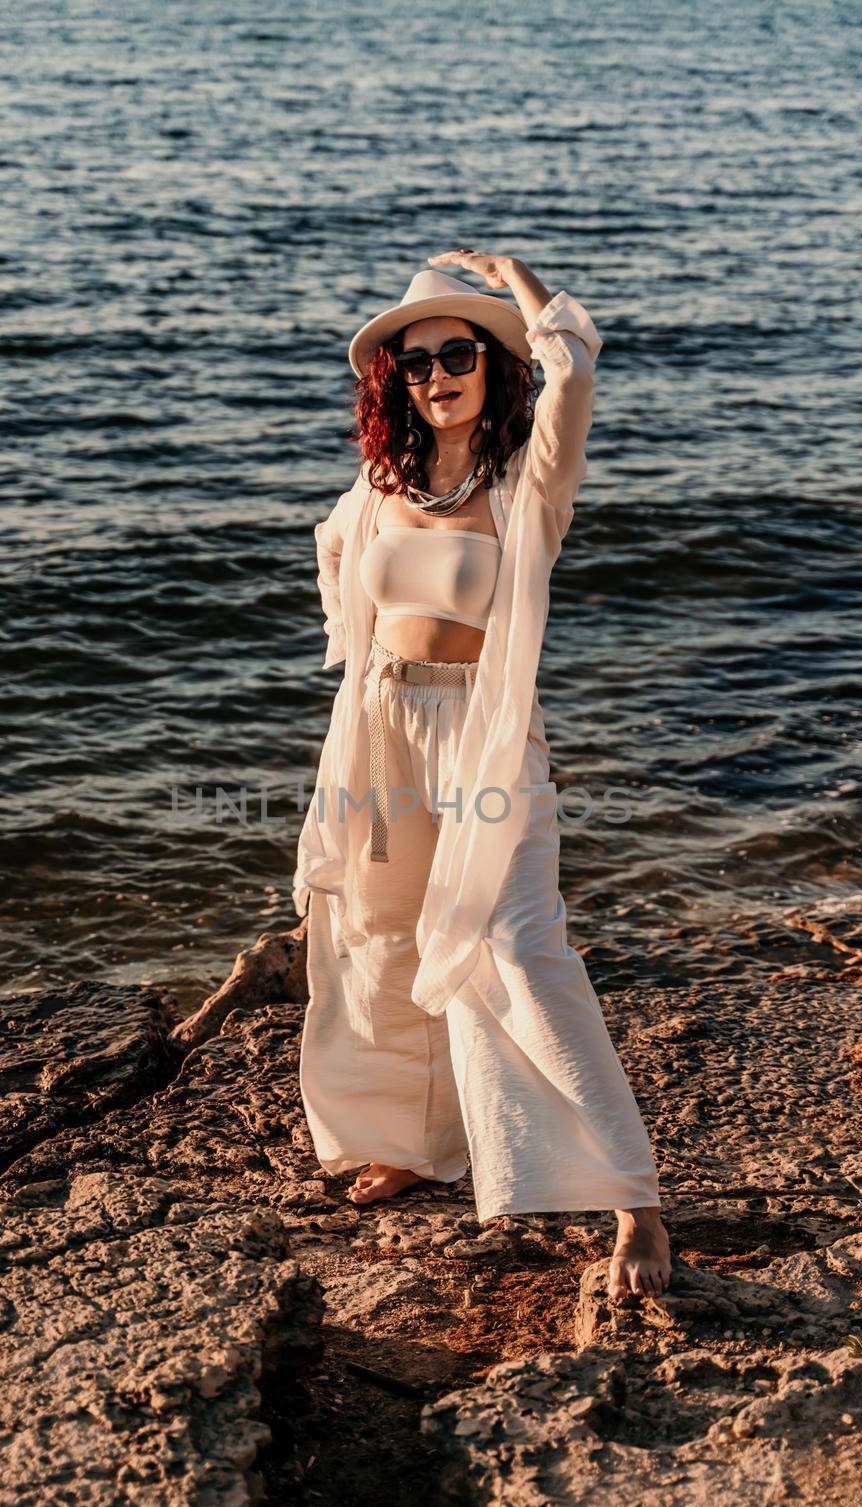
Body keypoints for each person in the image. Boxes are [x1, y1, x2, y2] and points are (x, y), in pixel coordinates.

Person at [293, 249, 672, 1301]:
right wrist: (353, 653)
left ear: (489, 366)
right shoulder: (380, 484)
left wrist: (518, 283)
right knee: (382, 932)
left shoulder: (523, 483)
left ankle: (632, 1198)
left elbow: (576, 369)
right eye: (416, 364)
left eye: (458, 352)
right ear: (396, 387)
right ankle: (410, 1141)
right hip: (380, 723)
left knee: (515, 940)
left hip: (482, 736)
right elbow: (334, 550)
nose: (438, 373)